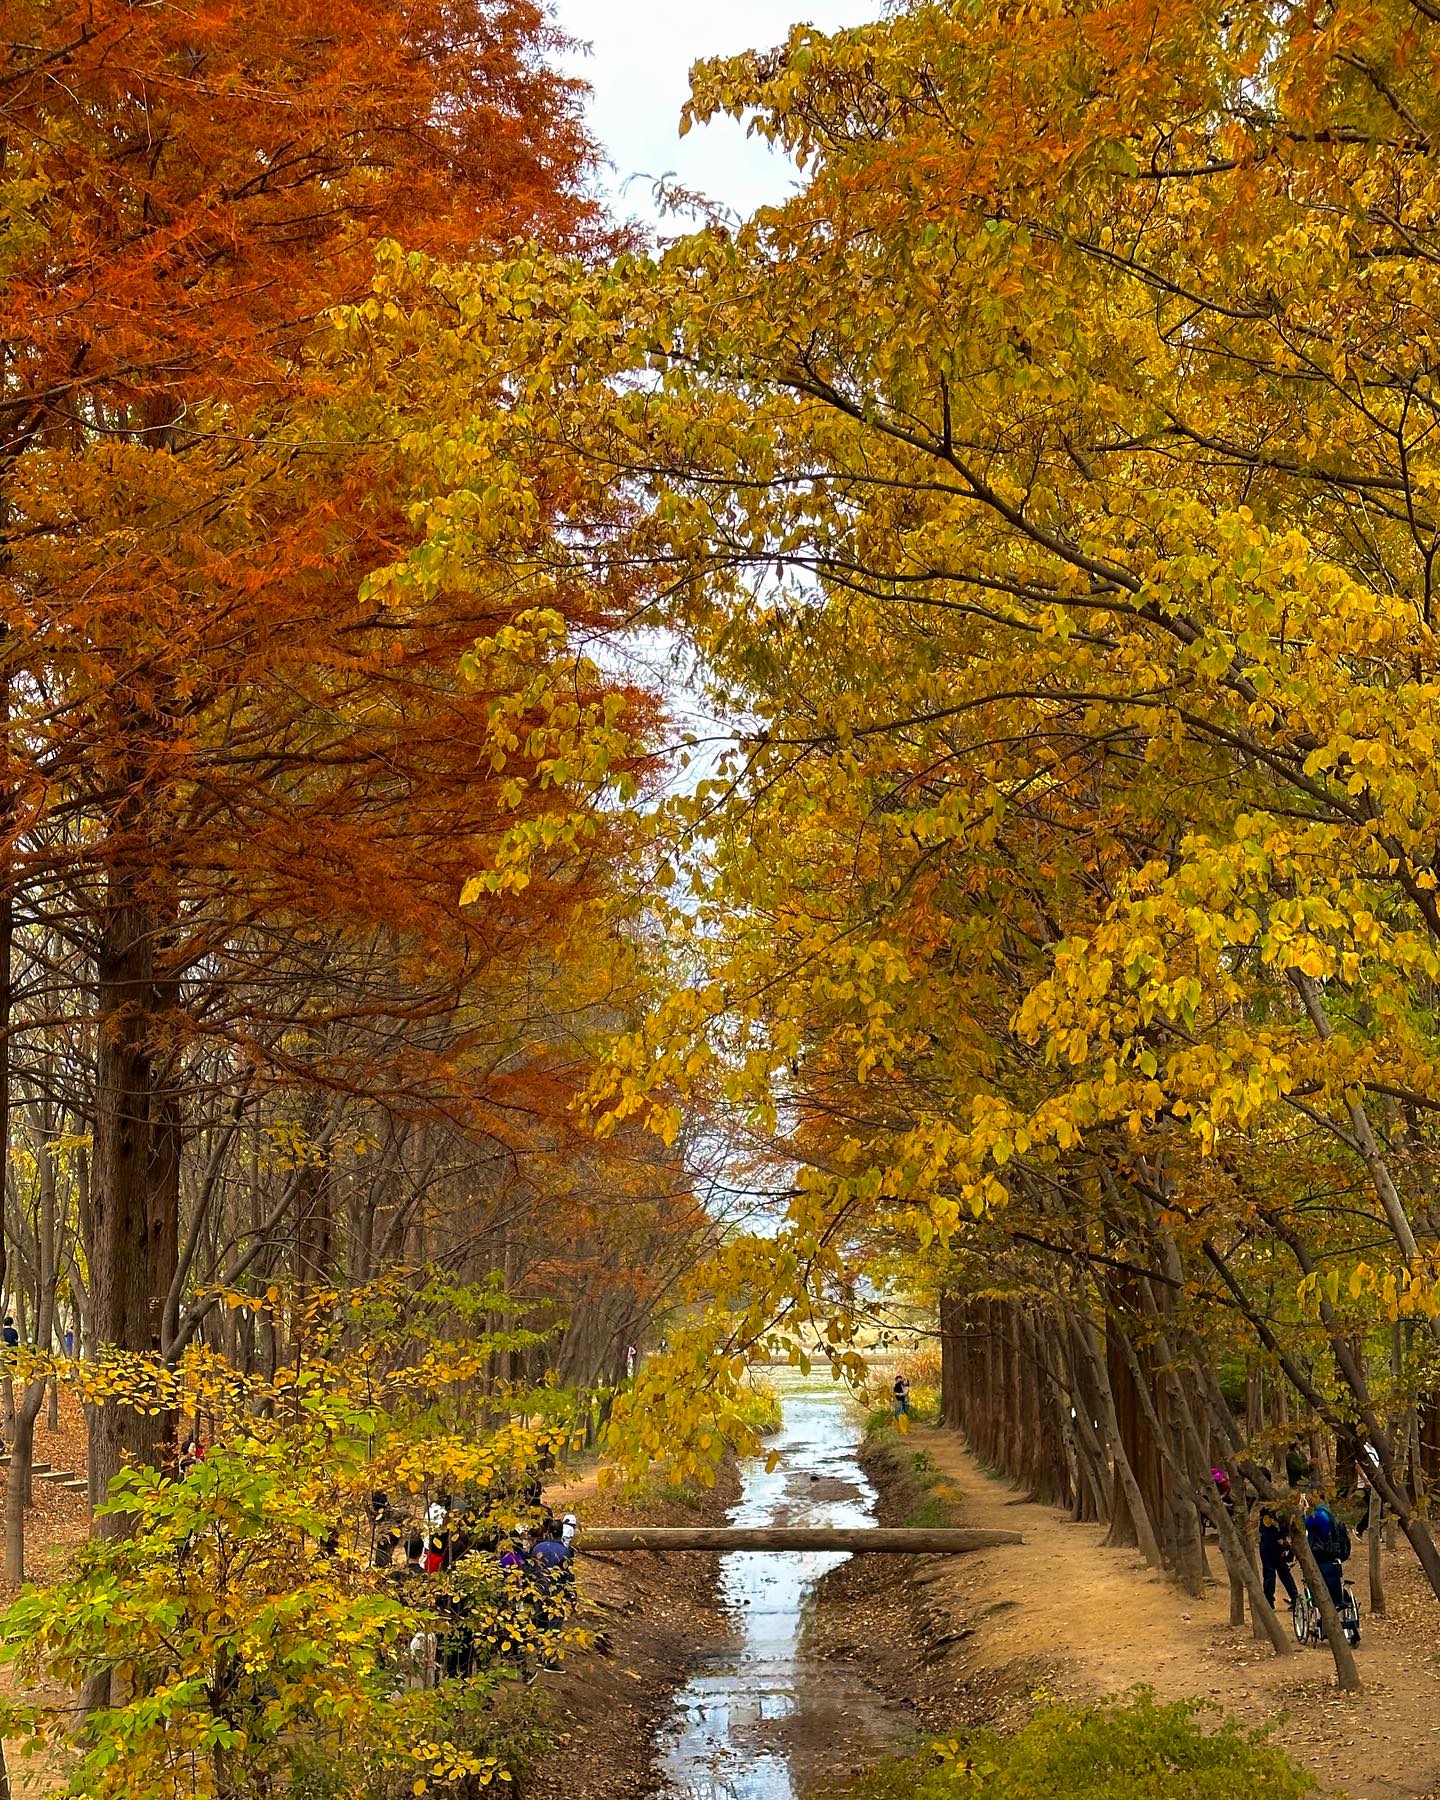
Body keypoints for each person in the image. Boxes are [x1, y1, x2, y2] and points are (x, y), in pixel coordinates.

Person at [1257, 1475, 1299, 1611]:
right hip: (1275, 1542)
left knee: (1271, 1572)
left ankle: (1269, 1602)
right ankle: (1294, 1598)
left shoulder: (1269, 1502)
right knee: (1283, 1571)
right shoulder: (1275, 1499)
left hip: (1270, 1543)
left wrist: (1281, 1537)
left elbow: (1276, 1523)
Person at [1304, 1495, 1351, 1610]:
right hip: (1333, 1551)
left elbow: (1302, 1525)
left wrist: (1302, 1511)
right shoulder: (1327, 1513)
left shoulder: (1318, 1515)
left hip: (1321, 1551)